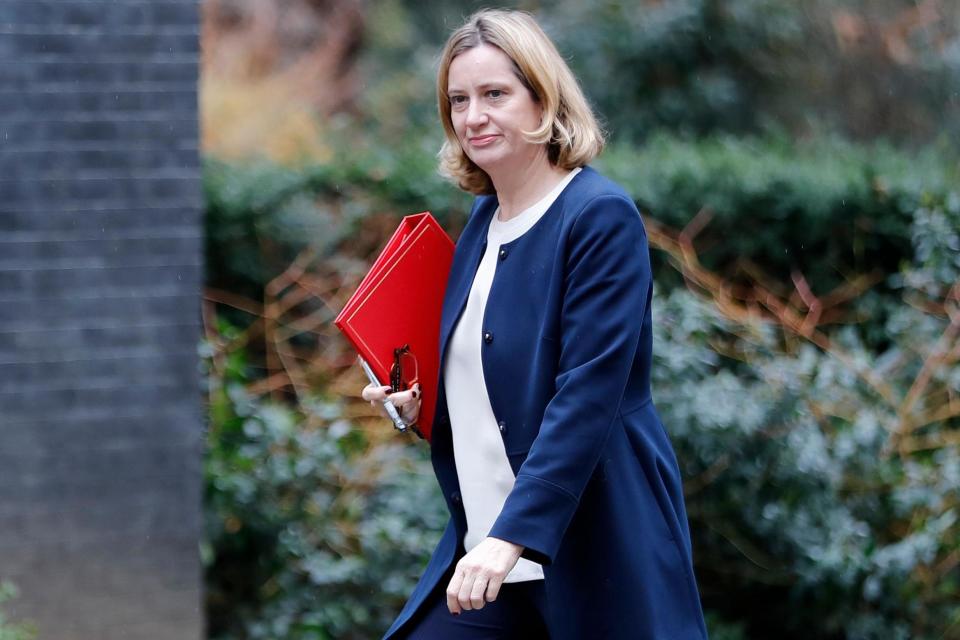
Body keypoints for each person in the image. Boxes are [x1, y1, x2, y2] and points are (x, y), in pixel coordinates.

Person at [361, 8, 709, 640]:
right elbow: (497, 386)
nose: (473, 117)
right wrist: (421, 407)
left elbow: (586, 395)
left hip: (598, 549)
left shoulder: (599, 217)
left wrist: (510, 538)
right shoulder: (479, 225)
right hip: (489, 566)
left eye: (496, 94)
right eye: (459, 100)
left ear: (543, 99)